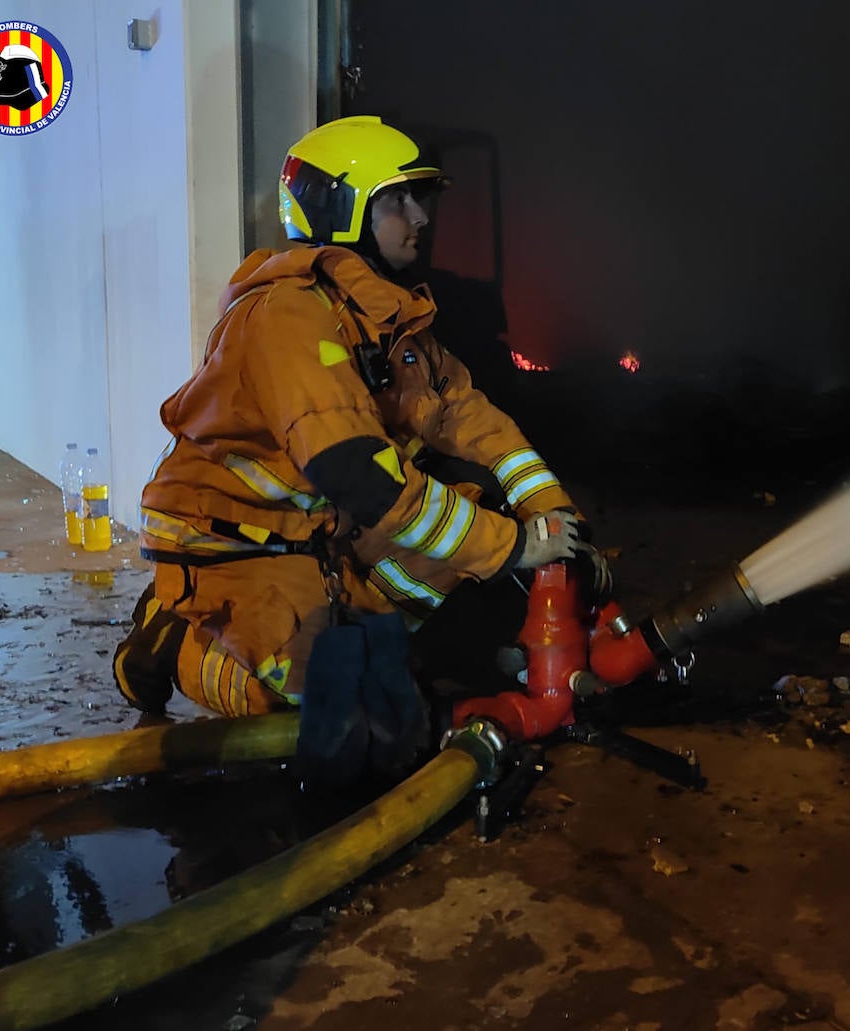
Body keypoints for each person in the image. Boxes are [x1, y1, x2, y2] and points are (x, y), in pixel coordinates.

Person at [112, 114, 610, 784]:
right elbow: (363, 479)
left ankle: (379, 645)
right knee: (344, 721)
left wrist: (549, 512)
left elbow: (465, 412)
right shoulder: (287, 317)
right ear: (341, 210)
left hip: (324, 529)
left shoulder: (382, 313)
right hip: (237, 545)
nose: (421, 218)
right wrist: (514, 545)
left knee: (474, 563)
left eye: (421, 199)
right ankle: (175, 638)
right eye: (397, 202)